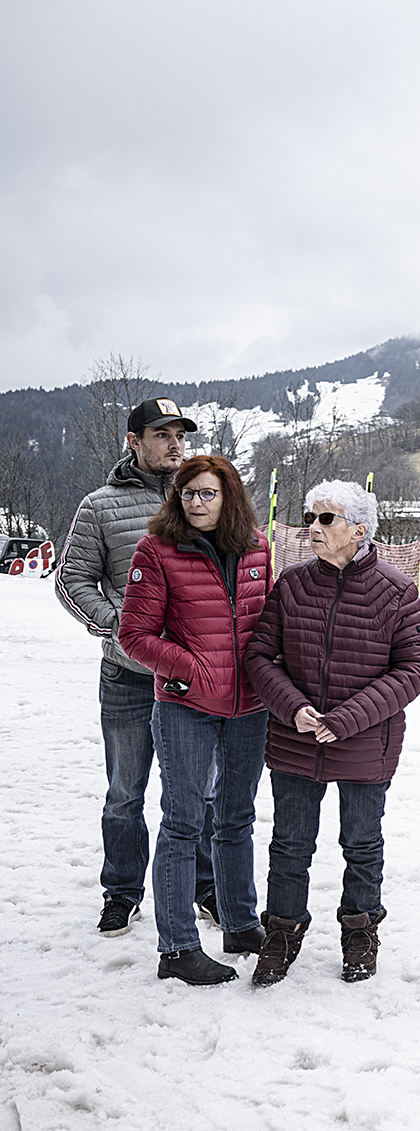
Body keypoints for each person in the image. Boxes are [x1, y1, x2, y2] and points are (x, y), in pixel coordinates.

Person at [243, 481, 420, 986]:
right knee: (289, 845)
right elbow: (258, 655)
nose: (314, 528)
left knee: (362, 843)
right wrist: (292, 706)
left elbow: (413, 669)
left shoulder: (396, 590)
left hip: (366, 743)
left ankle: (360, 931)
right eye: (311, 517)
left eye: (327, 519)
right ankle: (281, 934)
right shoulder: (292, 583)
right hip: (295, 740)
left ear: (359, 530)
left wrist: (346, 719)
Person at [56, 397, 218, 936]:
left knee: (201, 790)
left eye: (181, 434)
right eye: (161, 433)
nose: (175, 443)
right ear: (134, 441)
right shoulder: (100, 506)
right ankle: (121, 891)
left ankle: (207, 888)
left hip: (194, 676)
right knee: (126, 791)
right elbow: (70, 580)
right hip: (127, 677)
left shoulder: (205, 498)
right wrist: (120, 629)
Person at [117, 455, 273, 986]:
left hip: (249, 708)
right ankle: (178, 946)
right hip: (186, 706)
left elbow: (266, 622)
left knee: (236, 818)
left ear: (228, 497)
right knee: (183, 822)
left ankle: (240, 923)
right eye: (187, 493)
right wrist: (192, 670)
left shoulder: (256, 546)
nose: (196, 503)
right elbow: (134, 636)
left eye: (207, 494)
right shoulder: (156, 550)